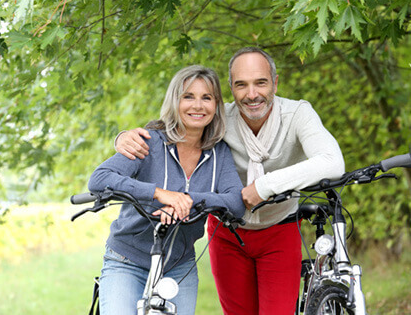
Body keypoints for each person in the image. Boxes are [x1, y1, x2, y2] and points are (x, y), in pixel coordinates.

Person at [114, 47, 345, 314]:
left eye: (261, 82)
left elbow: (332, 162)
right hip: (227, 233)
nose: (252, 94)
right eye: (241, 85)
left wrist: (264, 187)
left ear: (275, 82)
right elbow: (171, 131)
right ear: (231, 88)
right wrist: (122, 138)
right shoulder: (218, 118)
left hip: (279, 230)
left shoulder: (297, 115)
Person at [88, 65, 246, 315]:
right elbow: (99, 179)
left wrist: (187, 200)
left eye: (207, 97)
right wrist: (160, 194)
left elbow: (235, 203)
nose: (198, 105)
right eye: (188, 96)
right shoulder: (149, 142)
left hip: (179, 267)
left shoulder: (220, 152)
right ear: (175, 101)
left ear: (216, 105)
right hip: (127, 261)